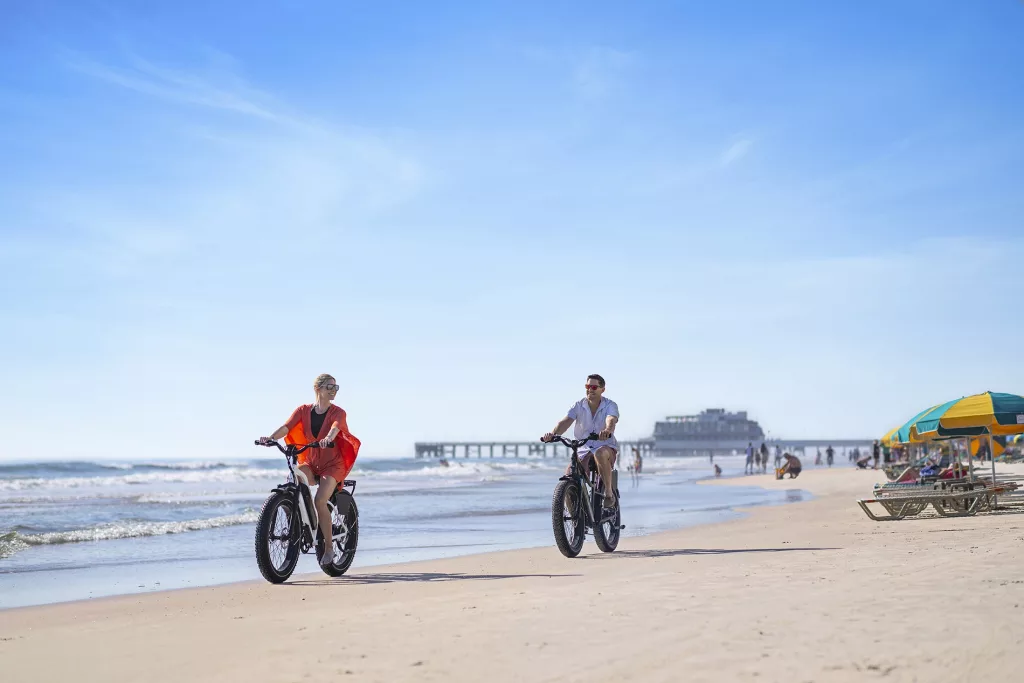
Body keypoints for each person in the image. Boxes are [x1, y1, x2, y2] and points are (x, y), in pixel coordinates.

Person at [258, 373, 361, 568]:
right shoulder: (303, 410)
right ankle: (300, 521)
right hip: (312, 462)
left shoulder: (338, 412)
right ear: (318, 389)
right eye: (330, 387)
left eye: (335, 387)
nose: (334, 391)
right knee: (294, 478)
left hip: (332, 464)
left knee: (320, 500)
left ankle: (328, 548)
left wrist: (328, 438)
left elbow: (335, 428)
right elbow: (287, 427)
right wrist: (271, 438)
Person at [541, 374, 620, 509]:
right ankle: (576, 517)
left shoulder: (610, 405)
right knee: (569, 475)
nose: (590, 389)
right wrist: (553, 434)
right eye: (587, 386)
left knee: (600, 453)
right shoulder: (578, 405)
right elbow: (565, 422)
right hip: (584, 448)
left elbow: (611, 420)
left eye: (594, 387)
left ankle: (608, 494)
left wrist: (607, 430)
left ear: (602, 389)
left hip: (605, 446)